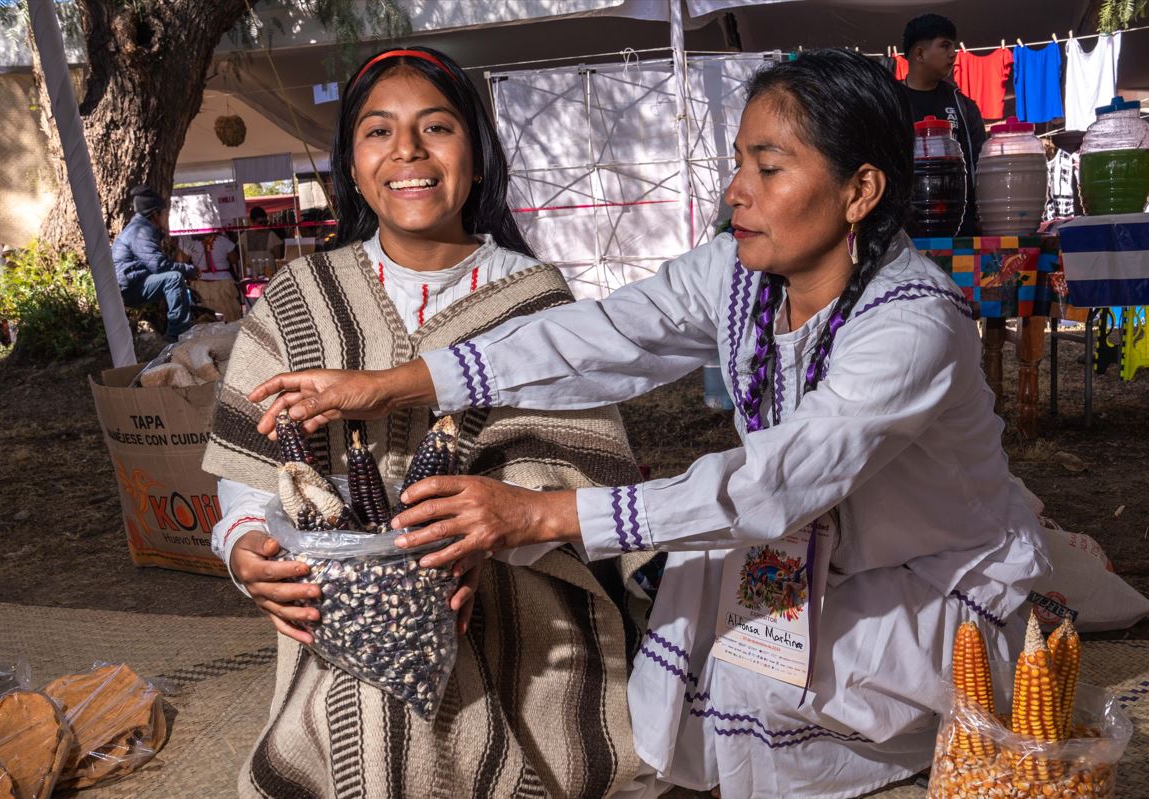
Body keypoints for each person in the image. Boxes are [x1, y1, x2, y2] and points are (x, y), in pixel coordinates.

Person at [252, 49, 1050, 798]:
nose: (734, 190)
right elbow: (595, 338)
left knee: (749, 682)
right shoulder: (738, 277)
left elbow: (778, 481)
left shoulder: (912, 327)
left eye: (767, 168)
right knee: (689, 675)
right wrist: (391, 385)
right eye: (738, 161)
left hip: (920, 573)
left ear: (859, 191)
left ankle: (939, 697)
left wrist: (539, 512)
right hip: (802, 552)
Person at [201, 46, 649, 798]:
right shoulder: (298, 297)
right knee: (373, 691)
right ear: (350, 162)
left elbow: (581, 472)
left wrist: (490, 533)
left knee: (408, 709)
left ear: (475, 156)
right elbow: (251, 468)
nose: (406, 151)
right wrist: (245, 545)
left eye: (435, 128)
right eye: (378, 132)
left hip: (515, 599)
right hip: (340, 601)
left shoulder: (533, 300)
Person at [901, 14, 987, 236]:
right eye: (945, 45)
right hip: (904, 232)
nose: (953, 54)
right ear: (919, 53)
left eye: (953, 46)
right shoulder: (891, 102)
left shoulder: (962, 106)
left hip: (961, 228)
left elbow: (980, 163)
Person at [113, 186, 197, 341]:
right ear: (154, 214)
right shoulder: (141, 231)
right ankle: (177, 336)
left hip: (134, 283)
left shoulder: (141, 228)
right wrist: (188, 269)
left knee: (173, 278)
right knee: (173, 278)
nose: (167, 218)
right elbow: (159, 266)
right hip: (128, 289)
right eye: (165, 213)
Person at [191, 230, 244, 321]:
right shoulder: (223, 240)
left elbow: (181, 260)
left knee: (205, 316)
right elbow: (234, 260)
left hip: (202, 283)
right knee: (228, 315)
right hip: (223, 283)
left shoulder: (191, 242)